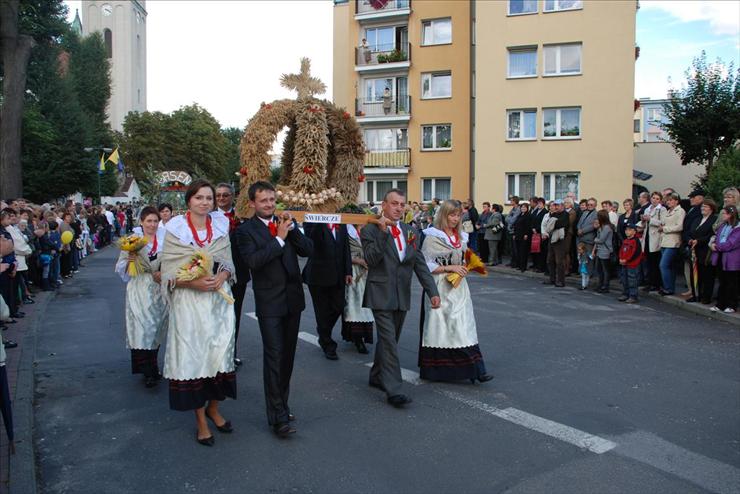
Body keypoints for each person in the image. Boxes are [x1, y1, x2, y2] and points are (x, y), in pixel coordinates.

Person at [160, 179, 237, 446]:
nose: (205, 202)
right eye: (199, 198)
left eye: (209, 198)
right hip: (189, 304)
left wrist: (223, 275)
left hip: (218, 303)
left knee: (221, 354)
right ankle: (201, 421)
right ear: (189, 200)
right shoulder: (175, 229)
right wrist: (191, 282)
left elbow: (227, 261)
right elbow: (165, 272)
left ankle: (213, 408)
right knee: (194, 357)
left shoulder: (220, 225)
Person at [236, 181, 313, 438]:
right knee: (274, 356)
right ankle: (277, 416)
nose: (269, 204)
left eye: (272, 199)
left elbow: (308, 250)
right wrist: (279, 239)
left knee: (287, 357)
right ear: (252, 204)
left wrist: (292, 230)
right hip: (269, 302)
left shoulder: (285, 224)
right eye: (263, 200)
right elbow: (253, 262)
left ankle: (282, 404)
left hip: (293, 300)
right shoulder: (245, 231)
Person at [361, 188, 440, 408]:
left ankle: (376, 375)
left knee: (390, 340)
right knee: (388, 341)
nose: (398, 208)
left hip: (401, 294)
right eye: (394, 203)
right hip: (380, 293)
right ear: (383, 205)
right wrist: (384, 233)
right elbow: (371, 259)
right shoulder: (370, 229)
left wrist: (432, 291)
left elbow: (419, 264)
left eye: (402, 204)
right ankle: (394, 390)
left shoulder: (410, 231)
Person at [419, 200, 493, 383]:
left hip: (459, 288)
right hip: (439, 286)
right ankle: (436, 370)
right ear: (444, 215)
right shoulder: (431, 236)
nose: (455, 218)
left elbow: (464, 257)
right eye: (452, 215)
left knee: (464, 326)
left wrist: (466, 266)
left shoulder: (461, 237)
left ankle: (476, 369)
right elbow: (425, 265)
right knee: (440, 328)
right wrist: (450, 268)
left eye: (458, 215)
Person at [115, 207, 168, 388]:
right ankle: (148, 371)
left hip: (158, 289)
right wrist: (129, 261)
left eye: (155, 221)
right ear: (141, 222)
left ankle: (153, 364)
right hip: (139, 287)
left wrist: (163, 272)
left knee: (157, 328)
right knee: (143, 328)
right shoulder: (133, 241)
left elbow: (172, 262)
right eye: (149, 221)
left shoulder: (165, 240)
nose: (152, 225)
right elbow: (120, 267)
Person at [302, 218, 352, 361]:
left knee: (339, 307)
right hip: (318, 276)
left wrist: (348, 271)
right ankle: (327, 344)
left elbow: (345, 247)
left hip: (338, 274)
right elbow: (311, 241)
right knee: (322, 312)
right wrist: (320, 218)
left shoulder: (340, 222)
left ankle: (323, 331)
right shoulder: (311, 221)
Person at [215, 183, 251, 368]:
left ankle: (231, 353)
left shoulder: (243, 216)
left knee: (234, 316)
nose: (221, 198)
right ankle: (216, 356)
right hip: (217, 275)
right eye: (218, 195)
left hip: (239, 274)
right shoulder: (210, 218)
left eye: (225, 195)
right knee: (216, 316)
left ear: (233, 196)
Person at [341, 221, 374, 354]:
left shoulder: (367, 230)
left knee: (366, 307)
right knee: (354, 305)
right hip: (354, 271)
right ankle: (357, 338)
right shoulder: (346, 230)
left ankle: (364, 336)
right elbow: (342, 252)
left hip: (367, 272)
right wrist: (359, 260)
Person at [709, 206, 740, 313]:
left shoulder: (738, 228)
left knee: (731, 282)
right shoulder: (723, 226)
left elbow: (732, 243)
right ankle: (720, 304)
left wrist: (717, 246)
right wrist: (713, 244)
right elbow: (717, 237)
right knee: (722, 281)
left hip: (732, 258)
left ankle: (731, 304)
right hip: (720, 256)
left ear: (730, 215)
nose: (722, 216)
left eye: (724, 214)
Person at [688, 199, 718, 304]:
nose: (703, 208)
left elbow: (712, 234)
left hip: (706, 251)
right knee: (695, 273)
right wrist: (690, 239)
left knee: (707, 275)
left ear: (711, 208)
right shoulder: (697, 219)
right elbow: (691, 231)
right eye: (702, 207)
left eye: (705, 207)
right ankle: (696, 294)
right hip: (694, 250)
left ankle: (706, 296)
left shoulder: (714, 219)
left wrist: (699, 240)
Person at [657, 192, 685, 296]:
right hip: (664, 241)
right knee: (670, 266)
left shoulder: (680, 211)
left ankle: (667, 287)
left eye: (671, 200)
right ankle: (670, 287)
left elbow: (679, 226)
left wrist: (664, 228)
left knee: (663, 265)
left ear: (676, 201)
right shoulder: (668, 211)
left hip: (673, 241)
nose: (669, 202)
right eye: (667, 200)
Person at [681, 189, 705, 297]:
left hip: (693, 241)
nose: (691, 199)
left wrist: (689, 238)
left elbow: (693, 227)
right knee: (688, 267)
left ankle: (695, 290)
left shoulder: (700, 210)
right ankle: (691, 288)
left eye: (693, 197)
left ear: (700, 198)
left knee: (693, 268)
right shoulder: (692, 209)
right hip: (687, 240)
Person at [641, 192, 665, 292]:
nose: (654, 200)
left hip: (655, 237)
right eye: (653, 198)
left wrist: (650, 219)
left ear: (660, 200)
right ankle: (650, 282)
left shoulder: (662, 209)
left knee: (655, 261)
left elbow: (662, 222)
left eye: (657, 198)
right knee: (649, 262)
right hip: (647, 236)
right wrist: (643, 220)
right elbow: (644, 224)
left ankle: (656, 284)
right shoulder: (647, 208)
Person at [542, 200, 569, 287]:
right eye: (555, 205)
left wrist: (553, 222)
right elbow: (547, 225)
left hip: (560, 240)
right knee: (550, 260)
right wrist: (554, 222)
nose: (556, 207)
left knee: (559, 261)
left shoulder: (565, 214)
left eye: (558, 205)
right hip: (552, 239)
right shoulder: (553, 214)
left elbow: (561, 224)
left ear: (562, 206)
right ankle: (552, 279)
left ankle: (561, 281)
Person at [618, 222, 642, 303]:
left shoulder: (635, 241)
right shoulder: (625, 241)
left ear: (634, 231)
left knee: (632, 280)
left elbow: (635, 253)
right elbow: (621, 250)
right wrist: (621, 258)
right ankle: (625, 294)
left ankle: (633, 296)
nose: (627, 231)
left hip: (632, 264)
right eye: (626, 230)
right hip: (624, 263)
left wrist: (627, 260)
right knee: (624, 279)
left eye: (629, 230)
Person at [593, 210, 614, 293]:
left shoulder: (607, 227)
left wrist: (595, 239)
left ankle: (605, 286)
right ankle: (600, 285)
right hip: (600, 250)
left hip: (605, 251)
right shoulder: (602, 227)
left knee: (605, 270)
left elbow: (601, 240)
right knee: (599, 269)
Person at [513, 202, 532, 272]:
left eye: (524, 207)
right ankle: (519, 265)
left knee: (523, 252)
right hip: (518, 235)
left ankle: (523, 267)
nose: (523, 208)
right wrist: (514, 234)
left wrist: (526, 234)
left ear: (527, 208)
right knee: (518, 251)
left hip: (524, 236)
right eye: (522, 207)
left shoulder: (528, 216)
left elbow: (528, 226)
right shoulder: (520, 215)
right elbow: (516, 225)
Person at [505, 197, 521, 267]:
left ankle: (516, 263)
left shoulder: (518, 209)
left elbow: (513, 220)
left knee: (515, 248)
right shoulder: (512, 209)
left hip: (514, 231)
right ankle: (512, 261)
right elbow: (506, 218)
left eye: (511, 201)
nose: (510, 202)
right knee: (511, 248)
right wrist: (509, 219)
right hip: (510, 230)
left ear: (515, 201)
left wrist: (509, 219)